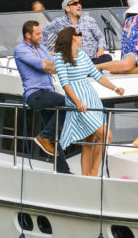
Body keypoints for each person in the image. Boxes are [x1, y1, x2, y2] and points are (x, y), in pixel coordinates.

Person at [52, 26, 125, 176]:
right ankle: (93, 173)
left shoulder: (84, 55)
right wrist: (77, 102)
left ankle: (87, 177)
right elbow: (65, 84)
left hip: (91, 99)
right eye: (80, 35)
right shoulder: (59, 58)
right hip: (78, 102)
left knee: (88, 142)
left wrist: (115, 88)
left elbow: (97, 76)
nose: (82, 38)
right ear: (73, 37)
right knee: (106, 135)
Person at [13, 20, 71, 174]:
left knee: (54, 137)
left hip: (46, 94)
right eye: (38, 33)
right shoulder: (21, 50)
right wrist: (55, 66)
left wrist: (59, 65)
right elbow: (44, 65)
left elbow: (53, 67)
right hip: (36, 95)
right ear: (27, 35)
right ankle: (43, 136)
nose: (41, 36)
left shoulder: (42, 48)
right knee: (68, 102)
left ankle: (63, 171)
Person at [44, 0, 111, 64]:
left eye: (79, 3)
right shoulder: (58, 22)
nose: (79, 6)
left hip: (92, 59)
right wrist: (45, 51)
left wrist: (100, 51)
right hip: (72, 61)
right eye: (75, 4)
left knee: (108, 57)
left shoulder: (89, 20)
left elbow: (100, 37)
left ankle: (87, 68)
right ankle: (90, 69)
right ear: (67, 8)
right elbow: (43, 32)